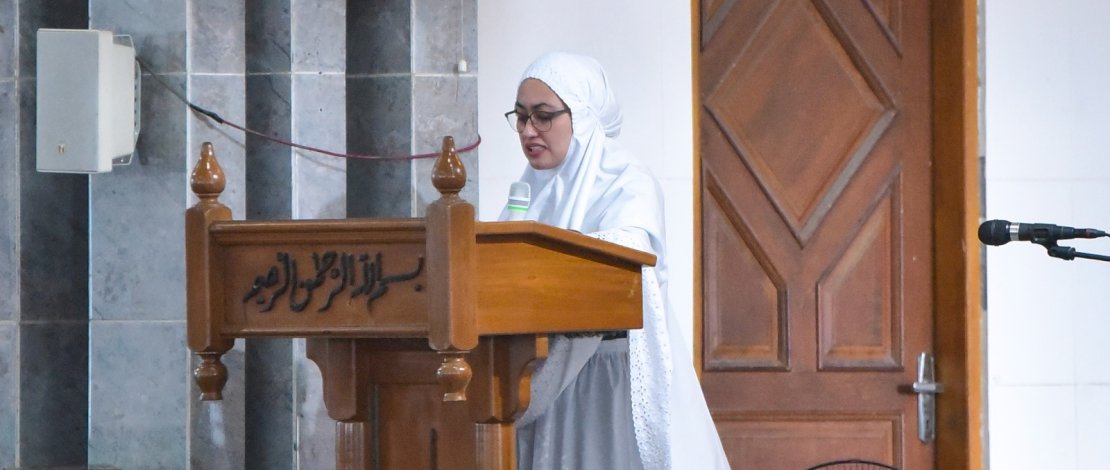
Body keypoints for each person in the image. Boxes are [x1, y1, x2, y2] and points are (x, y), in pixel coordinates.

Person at [499, 52, 731, 470]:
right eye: (519, 117)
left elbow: (624, 258)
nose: (528, 130)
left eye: (543, 116)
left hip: (615, 379)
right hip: (549, 376)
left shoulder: (629, 182)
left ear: (583, 117)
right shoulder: (527, 191)